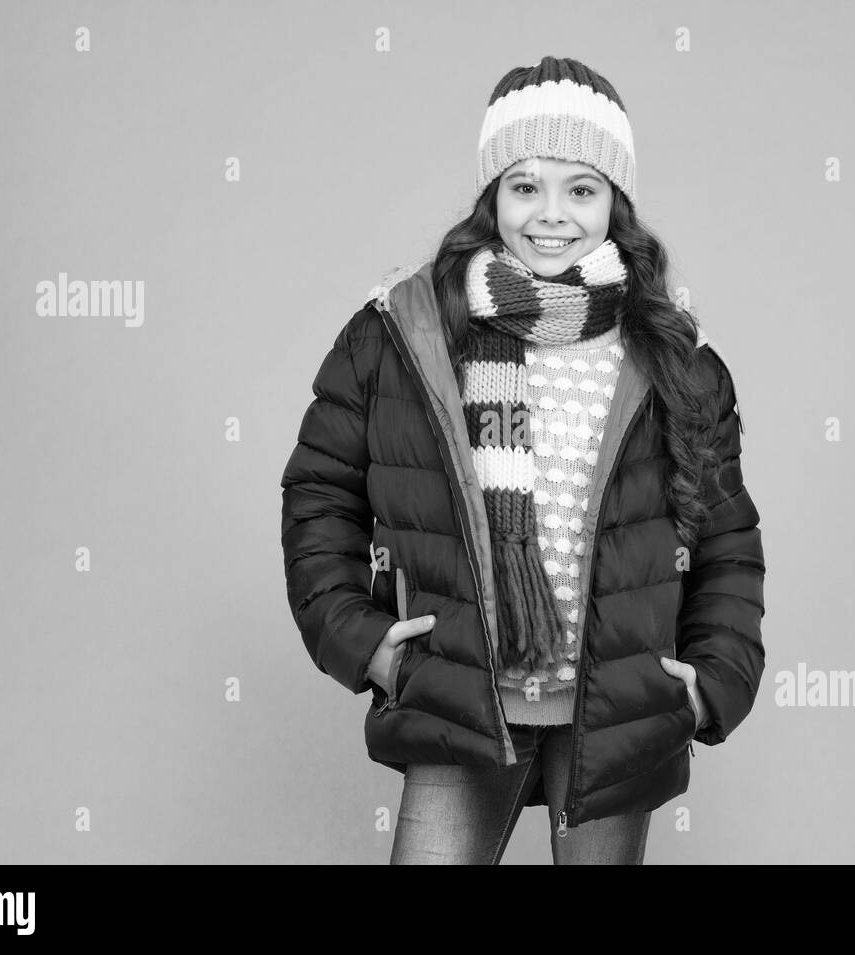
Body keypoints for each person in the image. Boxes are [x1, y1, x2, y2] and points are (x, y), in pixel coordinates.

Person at [280, 55, 766, 864]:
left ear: (616, 201)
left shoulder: (677, 355)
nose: (552, 215)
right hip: (462, 698)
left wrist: (712, 681)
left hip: (616, 708)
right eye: (525, 185)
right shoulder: (403, 332)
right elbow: (317, 495)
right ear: (492, 196)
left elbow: (726, 540)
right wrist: (368, 644)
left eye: (582, 188)